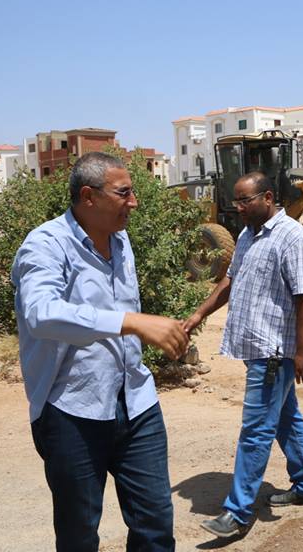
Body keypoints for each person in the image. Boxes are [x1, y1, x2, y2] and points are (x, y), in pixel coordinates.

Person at [12, 152, 189, 552]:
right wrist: (131, 322)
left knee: (155, 525)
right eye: (123, 193)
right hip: (72, 410)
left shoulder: (120, 240)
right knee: (78, 536)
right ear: (88, 197)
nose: (134, 202)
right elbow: (41, 314)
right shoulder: (45, 245)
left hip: (137, 403)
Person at [183, 171, 303, 539]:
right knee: (286, 418)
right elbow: (229, 280)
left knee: (256, 430)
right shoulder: (247, 234)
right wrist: (198, 314)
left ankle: (238, 512)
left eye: (245, 201)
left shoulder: (292, 236)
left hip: (274, 350)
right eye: (236, 202)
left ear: (268, 197)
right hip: (256, 346)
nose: (239, 208)